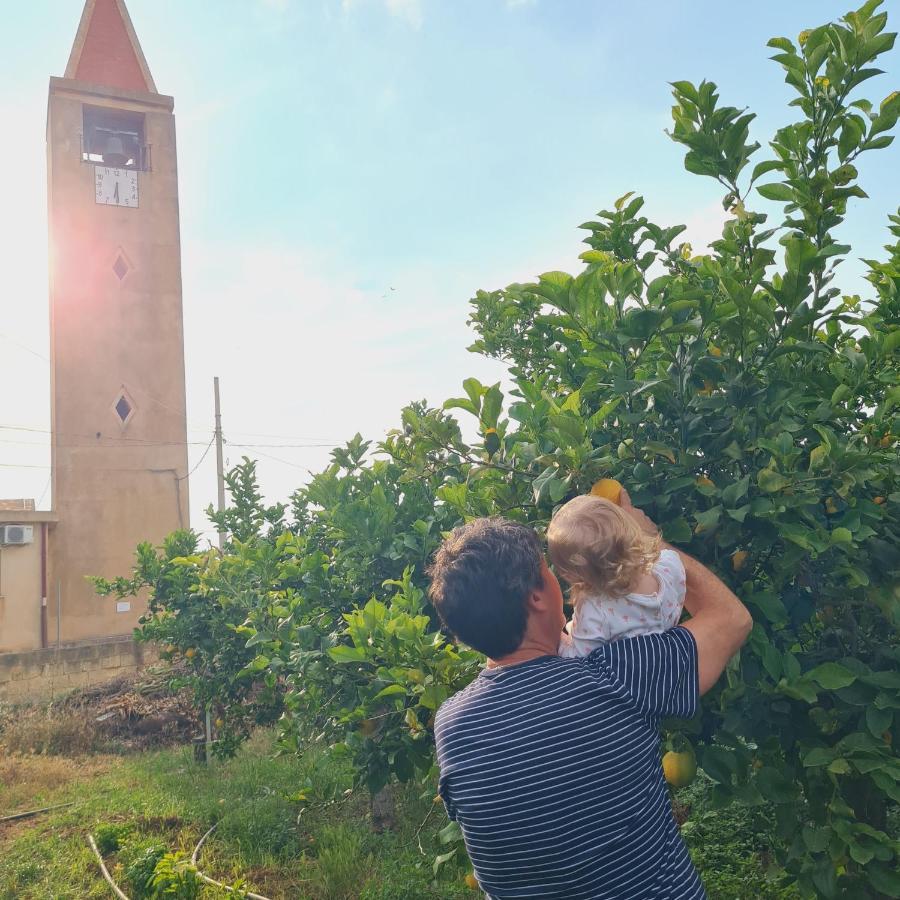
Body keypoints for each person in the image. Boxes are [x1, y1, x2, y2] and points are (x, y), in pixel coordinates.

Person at [429, 491, 752, 899]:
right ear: (537, 596)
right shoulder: (618, 674)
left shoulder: (452, 725)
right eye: (552, 572)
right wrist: (641, 543)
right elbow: (732, 619)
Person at [547, 494, 685, 655]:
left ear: (571, 574)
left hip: (633, 676)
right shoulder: (669, 565)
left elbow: (578, 657)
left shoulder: (596, 610)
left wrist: (557, 637)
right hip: (672, 659)